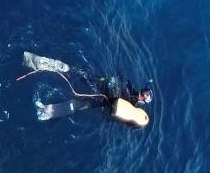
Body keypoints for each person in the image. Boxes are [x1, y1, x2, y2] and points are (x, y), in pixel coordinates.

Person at [19, 50, 152, 127]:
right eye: (144, 92)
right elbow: (117, 81)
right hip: (97, 87)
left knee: (76, 101)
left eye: (144, 96)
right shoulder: (129, 87)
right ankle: (36, 62)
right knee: (75, 72)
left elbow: (114, 113)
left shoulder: (131, 104)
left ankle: (45, 111)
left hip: (97, 98)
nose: (141, 95)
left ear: (142, 102)